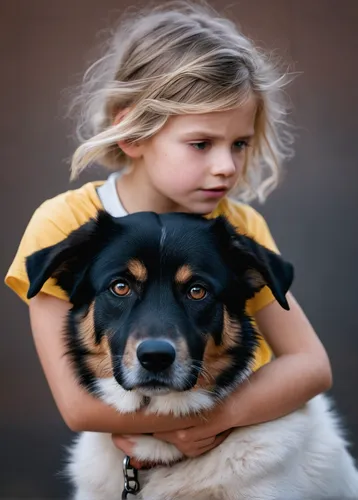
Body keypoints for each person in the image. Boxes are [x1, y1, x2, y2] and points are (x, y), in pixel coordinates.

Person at [5, 1, 332, 470]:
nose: (226, 166)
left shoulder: (233, 230)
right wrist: (172, 430)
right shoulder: (67, 223)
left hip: (244, 456)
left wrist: (212, 421)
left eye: (239, 143)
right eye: (202, 144)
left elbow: (310, 365)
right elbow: (77, 407)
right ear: (133, 133)